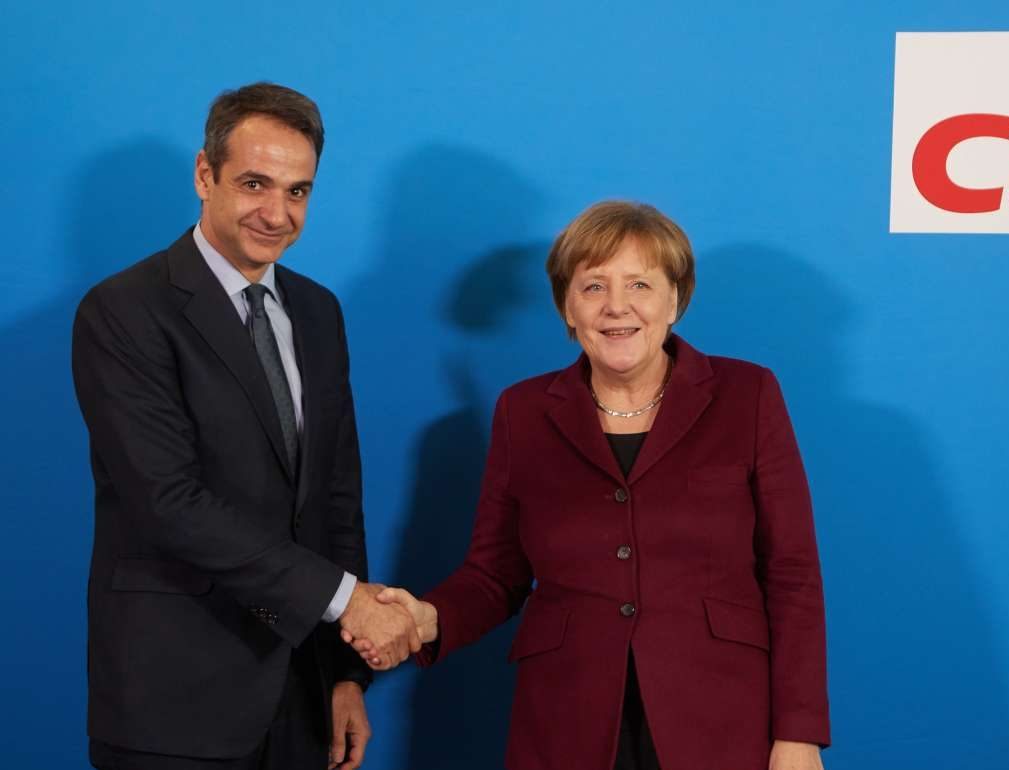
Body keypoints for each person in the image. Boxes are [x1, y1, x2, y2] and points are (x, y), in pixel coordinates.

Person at [347, 201, 830, 769]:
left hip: (721, 721)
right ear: (567, 308)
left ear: (674, 299)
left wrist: (798, 734)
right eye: (594, 286)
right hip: (566, 721)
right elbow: (495, 575)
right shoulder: (523, 411)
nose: (616, 306)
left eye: (640, 284)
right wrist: (427, 618)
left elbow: (792, 573)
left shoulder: (747, 394)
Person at [71, 82, 419, 770]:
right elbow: (169, 502)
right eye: (255, 183)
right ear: (205, 175)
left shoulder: (318, 312)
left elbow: (335, 501)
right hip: (173, 701)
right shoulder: (123, 311)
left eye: (298, 191)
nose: (277, 214)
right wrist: (346, 602)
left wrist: (344, 674)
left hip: (300, 694)